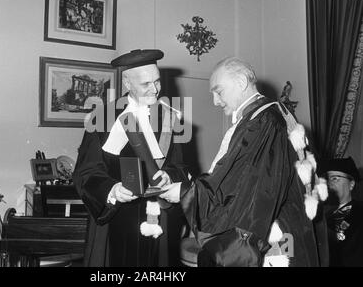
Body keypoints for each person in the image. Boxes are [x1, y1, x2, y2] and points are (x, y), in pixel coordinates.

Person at [161, 56, 323, 266]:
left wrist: (186, 192)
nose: (215, 101)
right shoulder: (271, 114)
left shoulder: (262, 122)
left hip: (273, 237)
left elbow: (245, 193)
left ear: (241, 83)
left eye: (219, 91)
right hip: (289, 227)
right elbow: (236, 175)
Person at [72, 49, 190, 267]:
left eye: (157, 81)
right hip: (118, 219)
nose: (155, 89)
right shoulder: (103, 118)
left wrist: (170, 175)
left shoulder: (171, 117)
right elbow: (85, 173)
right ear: (128, 84)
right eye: (146, 84)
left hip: (161, 218)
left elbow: (180, 166)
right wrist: (113, 189)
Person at [320, 157, 363, 267]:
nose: (329, 184)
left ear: (351, 184)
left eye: (335, 178)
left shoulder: (359, 212)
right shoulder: (323, 213)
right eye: (328, 179)